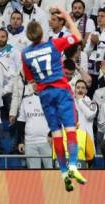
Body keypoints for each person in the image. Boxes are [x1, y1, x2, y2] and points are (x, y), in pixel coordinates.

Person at [21, 7, 85, 192]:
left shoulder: (25, 54)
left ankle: (64, 172)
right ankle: (73, 164)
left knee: (56, 133)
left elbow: (30, 79)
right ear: (42, 33)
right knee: (70, 129)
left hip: (44, 94)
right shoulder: (53, 44)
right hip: (61, 90)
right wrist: (66, 17)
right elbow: (77, 37)